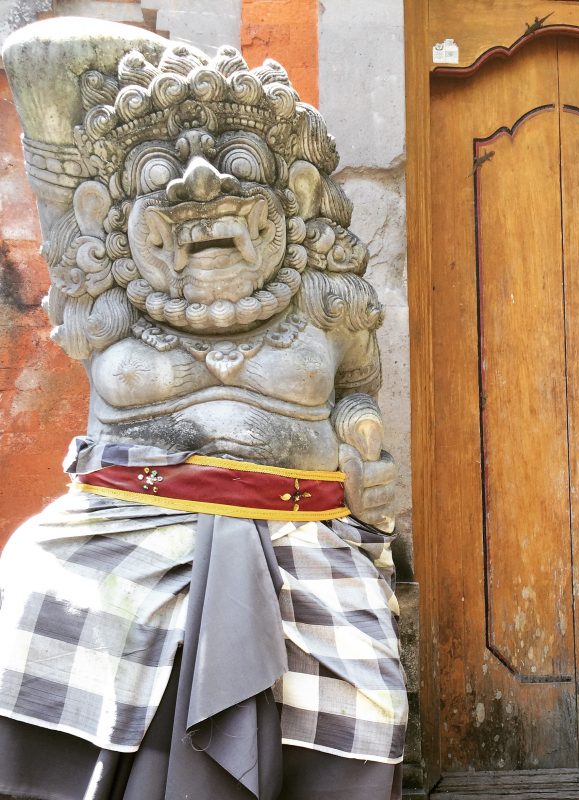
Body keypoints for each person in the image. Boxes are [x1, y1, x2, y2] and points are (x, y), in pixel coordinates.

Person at [0, 17, 406, 800]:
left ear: (294, 197)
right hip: (124, 529)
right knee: (25, 592)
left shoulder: (325, 302)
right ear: (107, 208)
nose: (198, 184)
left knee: (372, 693)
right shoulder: (107, 299)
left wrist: (367, 450)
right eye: (165, 170)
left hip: (301, 537)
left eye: (234, 164)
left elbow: (357, 391)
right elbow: (38, 54)